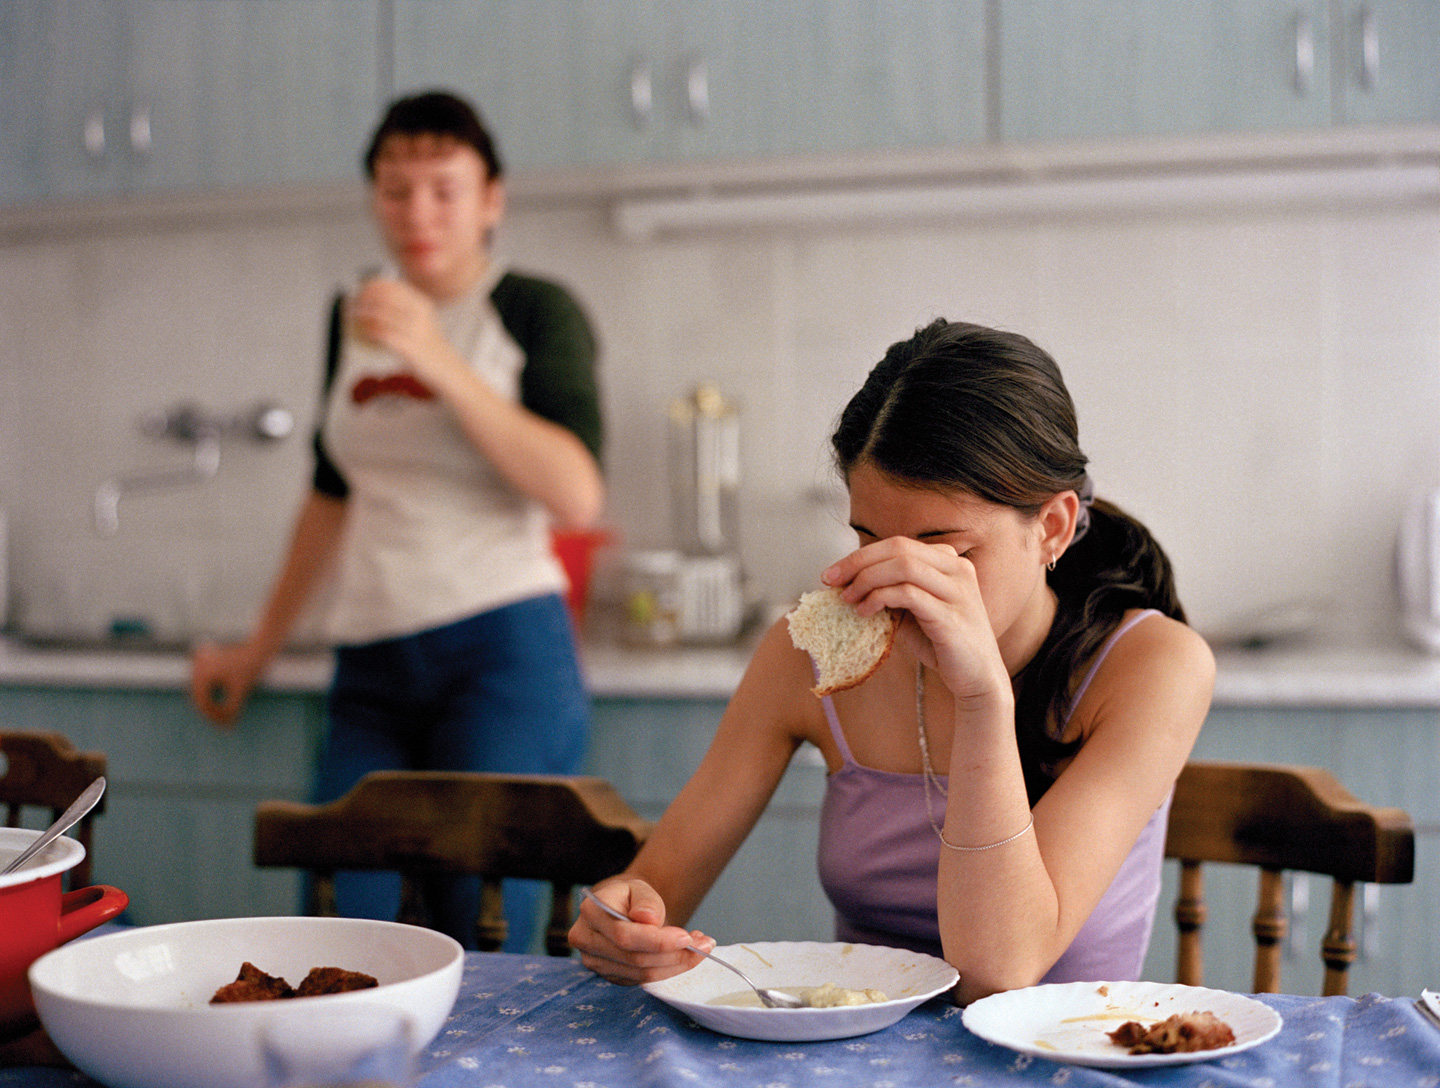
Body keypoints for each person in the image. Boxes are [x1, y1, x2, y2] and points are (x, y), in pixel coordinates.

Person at [570, 319, 1213, 1003]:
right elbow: (657, 887)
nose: (900, 587)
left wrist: (981, 697)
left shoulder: (1154, 666)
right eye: (870, 540)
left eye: (946, 555)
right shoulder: (807, 653)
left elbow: (998, 970)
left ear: (1051, 526)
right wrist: (624, 919)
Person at [189, 90, 604, 952]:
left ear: (492, 198)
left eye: (444, 188)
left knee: (478, 932)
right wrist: (259, 647)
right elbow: (331, 488)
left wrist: (438, 358)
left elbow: (577, 494)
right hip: (371, 663)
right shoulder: (354, 316)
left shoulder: (533, 310)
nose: (418, 211)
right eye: (394, 187)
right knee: (339, 924)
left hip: (502, 653)